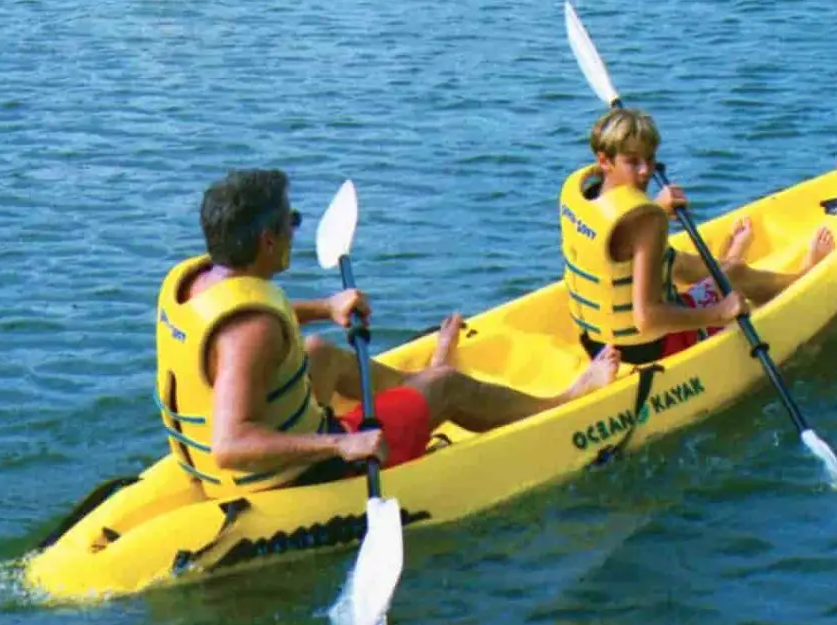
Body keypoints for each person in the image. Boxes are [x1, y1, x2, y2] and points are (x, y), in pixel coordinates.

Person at [157, 168, 617, 497]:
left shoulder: (199, 282)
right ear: (268, 240)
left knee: (319, 352)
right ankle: (564, 400)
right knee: (448, 385)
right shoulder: (253, 333)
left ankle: (418, 389)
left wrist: (326, 307)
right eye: (291, 220)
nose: (296, 230)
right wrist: (343, 443)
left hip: (223, 467)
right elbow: (230, 445)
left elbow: (246, 322)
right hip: (290, 477)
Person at [560, 108, 834, 365]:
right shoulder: (646, 223)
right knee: (735, 276)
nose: (646, 171)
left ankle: (729, 261)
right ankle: (802, 278)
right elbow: (648, 319)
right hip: (649, 348)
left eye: (650, 158)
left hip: (597, 343)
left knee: (676, 262)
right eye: (633, 161)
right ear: (604, 160)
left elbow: (622, 243)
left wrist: (657, 208)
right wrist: (720, 313)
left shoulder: (585, 194)